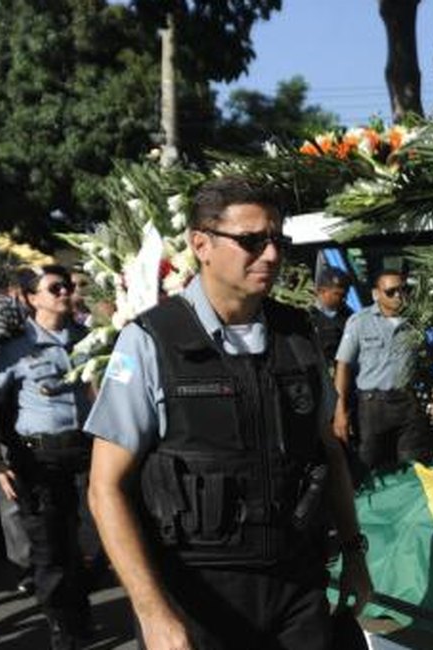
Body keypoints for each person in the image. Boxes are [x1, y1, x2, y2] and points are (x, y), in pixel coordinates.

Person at [84, 176, 371, 650]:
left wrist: (356, 556)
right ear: (202, 244)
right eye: (251, 241)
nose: (272, 255)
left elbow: (329, 454)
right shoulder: (152, 341)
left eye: (277, 239)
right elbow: (104, 489)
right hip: (198, 596)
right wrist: (153, 613)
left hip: (297, 586)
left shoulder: (297, 337)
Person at [0, 265, 93, 649]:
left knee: (87, 542)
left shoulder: (89, 339)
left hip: (86, 452)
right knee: (49, 548)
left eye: (68, 286)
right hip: (39, 460)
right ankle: (63, 626)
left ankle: (79, 612)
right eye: (55, 287)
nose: (66, 292)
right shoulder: (13, 349)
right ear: (32, 298)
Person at [333, 269, 429, 474]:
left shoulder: (415, 322)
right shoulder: (360, 322)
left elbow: (424, 362)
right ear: (376, 294)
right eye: (391, 291)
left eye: (403, 290)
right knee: (367, 468)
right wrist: (340, 410)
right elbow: (343, 365)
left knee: (412, 468)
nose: (398, 296)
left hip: (407, 402)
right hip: (372, 405)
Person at [308, 266, 353, 366]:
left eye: (345, 295)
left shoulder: (351, 318)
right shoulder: (304, 315)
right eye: (338, 294)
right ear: (321, 291)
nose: (344, 299)